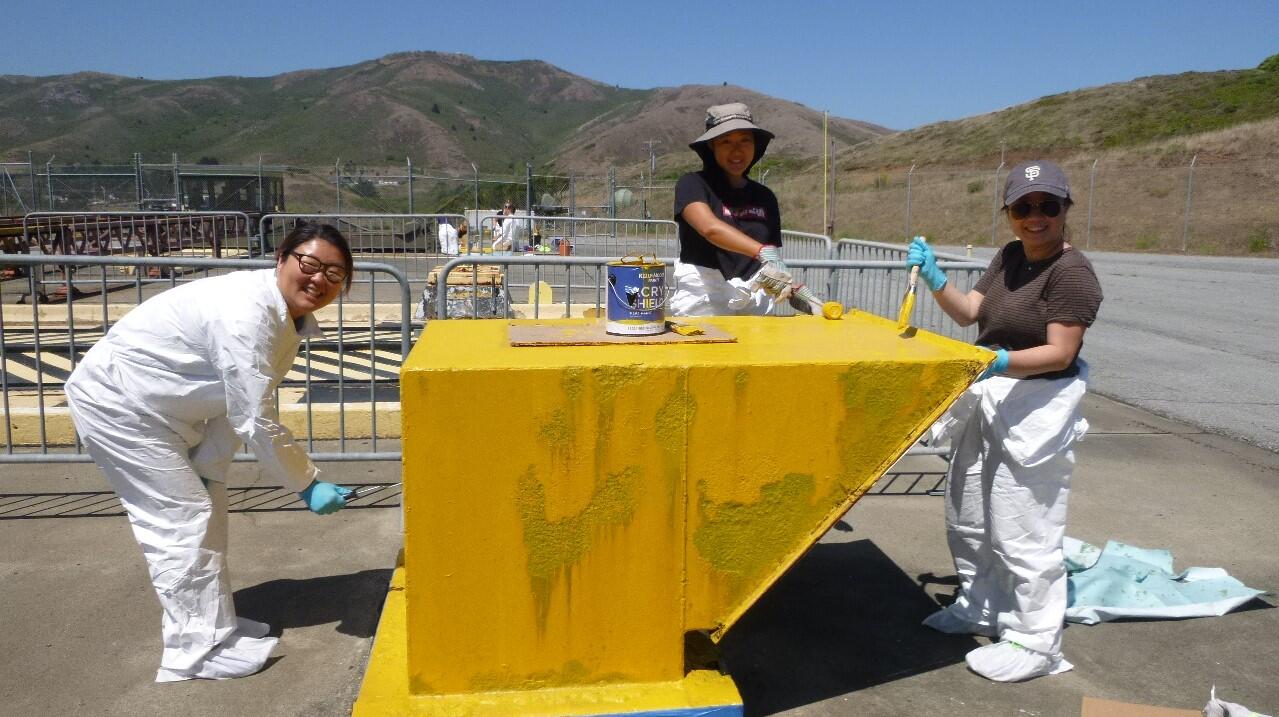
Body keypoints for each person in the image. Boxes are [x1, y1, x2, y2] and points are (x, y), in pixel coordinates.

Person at [64, 222, 357, 682]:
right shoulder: (247, 314)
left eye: (335, 274)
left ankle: (214, 627)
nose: (319, 280)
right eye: (311, 264)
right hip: (120, 407)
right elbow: (253, 415)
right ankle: (193, 652)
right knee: (181, 519)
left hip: (163, 412)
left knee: (208, 508)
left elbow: (236, 401)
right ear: (282, 258)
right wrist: (308, 484)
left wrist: (210, 466)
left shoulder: (284, 318)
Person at [909, 160, 1103, 682]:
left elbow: (1060, 353)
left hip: (1038, 406)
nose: (1034, 217)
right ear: (1010, 214)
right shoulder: (1009, 256)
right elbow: (970, 312)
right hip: (991, 394)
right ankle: (981, 603)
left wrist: (997, 361)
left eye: (1047, 206)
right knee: (968, 508)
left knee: (1025, 527)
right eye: (1023, 207)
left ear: (1065, 210)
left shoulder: (1072, 273)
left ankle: (1036, 640)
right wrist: (936, 279)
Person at [670, 102, 817, 316]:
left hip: (755, 305)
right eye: (726, 141)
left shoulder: (765, 197)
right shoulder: (693, 184)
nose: (736, 150)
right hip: (703, 302)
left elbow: (766, 265)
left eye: (745, 140)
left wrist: (796, 293)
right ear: (712, 146)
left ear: (755, 145)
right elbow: (709, 228)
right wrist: (763, 252)